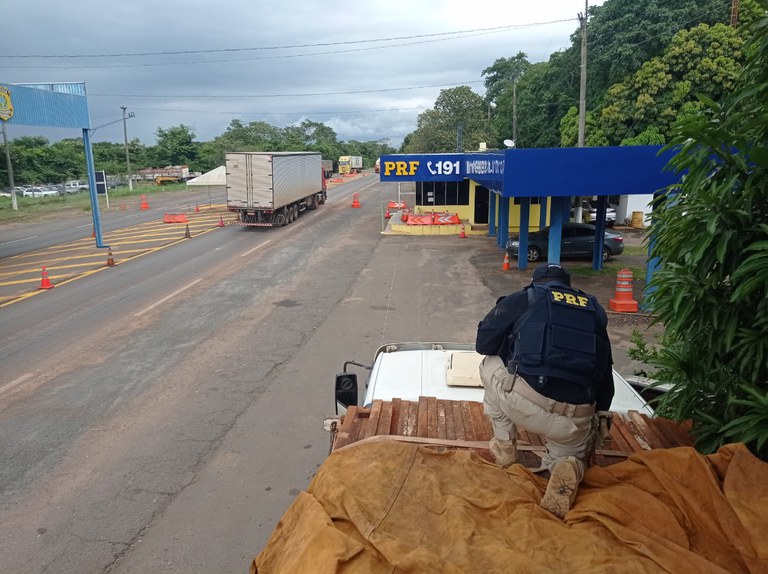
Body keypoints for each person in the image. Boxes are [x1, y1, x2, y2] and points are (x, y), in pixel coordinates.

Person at [475, 263, 614, 518]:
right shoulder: (594, 312)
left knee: (488, 364)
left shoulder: (526, 298)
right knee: (570, 456)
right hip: (576, 419)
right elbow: (605, 380)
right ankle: (567, 465)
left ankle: (505, 449)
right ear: (569, 287)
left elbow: (484, 344)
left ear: (536, 282)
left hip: (525, 405)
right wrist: (596, 421)